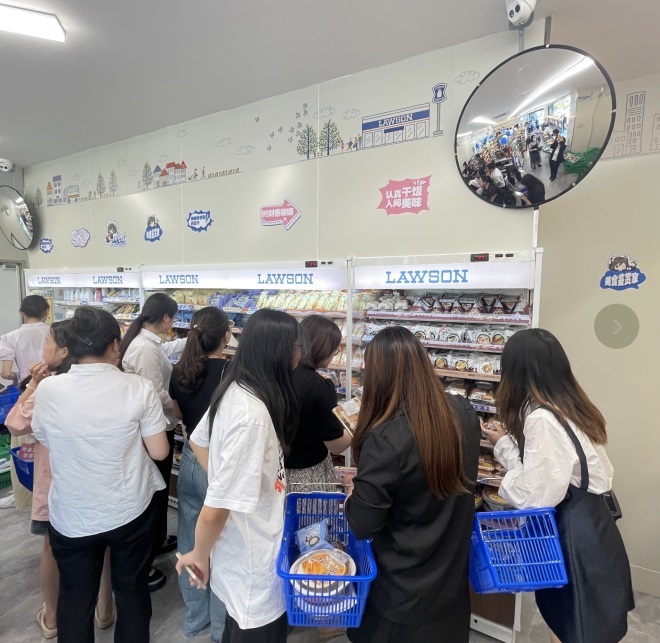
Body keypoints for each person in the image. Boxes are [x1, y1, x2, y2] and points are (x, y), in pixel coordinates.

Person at [483, 329, 634, 643]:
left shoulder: (542, 419)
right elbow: (563, 469)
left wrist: (504, 451)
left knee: (574, 623)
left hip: (571, 537)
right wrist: (509, 443)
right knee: (584, 622)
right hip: (595, 528)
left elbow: (534, 497)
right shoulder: (571, 403)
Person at [31, 307, 169, 643]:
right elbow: (160, 452)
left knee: (75, 597)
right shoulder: (137, 388)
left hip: (71, 513)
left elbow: (44, 436)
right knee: (132, 593)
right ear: (113, 345)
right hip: (130, 510)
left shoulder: (49, 389)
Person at [345, 326, 481, 643]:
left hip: (399, 595)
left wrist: (354, 495)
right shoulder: (463, 412)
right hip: (449, 586)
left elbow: (363, 524)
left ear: (379, 377)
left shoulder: (385, 439)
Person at [175, 309, 303, 643]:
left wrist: (224, 480)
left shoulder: (237, 389)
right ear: (279, 352)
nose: (299, 355)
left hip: (241, 552)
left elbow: (198, 440)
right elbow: (214, 510)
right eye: (296, 347)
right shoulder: (252, 417)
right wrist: (199, 555)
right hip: (252, 568)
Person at [6, 321, 114, 640]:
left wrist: (32, 385)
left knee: (52, 549)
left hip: (54, 485)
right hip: (95, 481)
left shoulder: (50, 389)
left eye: (48, 342)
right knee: (103, 546)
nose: (43, 348)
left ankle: (52, 616)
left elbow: (15, 423)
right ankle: (104, 609)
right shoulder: (102, 384)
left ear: (66, 351)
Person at [169, 307, 234, 642]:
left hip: (193, 460)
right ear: (226, 335)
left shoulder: (180, 370)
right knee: (224, 545)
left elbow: (179, 413)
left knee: (190, 539)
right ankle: (221, 628)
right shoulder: (232, 373)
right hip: (221, 464)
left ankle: (195, 618)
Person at [120, 292, 186, 590]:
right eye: (174, 318)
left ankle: (157, 539)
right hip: (154, 428)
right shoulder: (145, 348)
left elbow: (164, 349)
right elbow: (154, 393)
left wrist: (190, 340)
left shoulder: (145, 342)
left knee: (157, 490)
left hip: (155, 426)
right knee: (154, 491)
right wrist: (180, 404)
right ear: (166, 318)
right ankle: (144, 560)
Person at [285, 315, 352, 491]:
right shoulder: (320, 385)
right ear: (324, 348)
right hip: (308, 475)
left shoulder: (278, 374)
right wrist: (357, 422)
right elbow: (335, 445)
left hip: (276, 472)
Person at [0, 294, 51, 510]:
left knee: (24, 446)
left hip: (27, 393)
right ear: (46, 312)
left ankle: (24, 494)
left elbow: (5, 373)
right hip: (53, 392)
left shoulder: (10, 337)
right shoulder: (54, 332)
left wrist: (19, 376)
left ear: (22, 312)